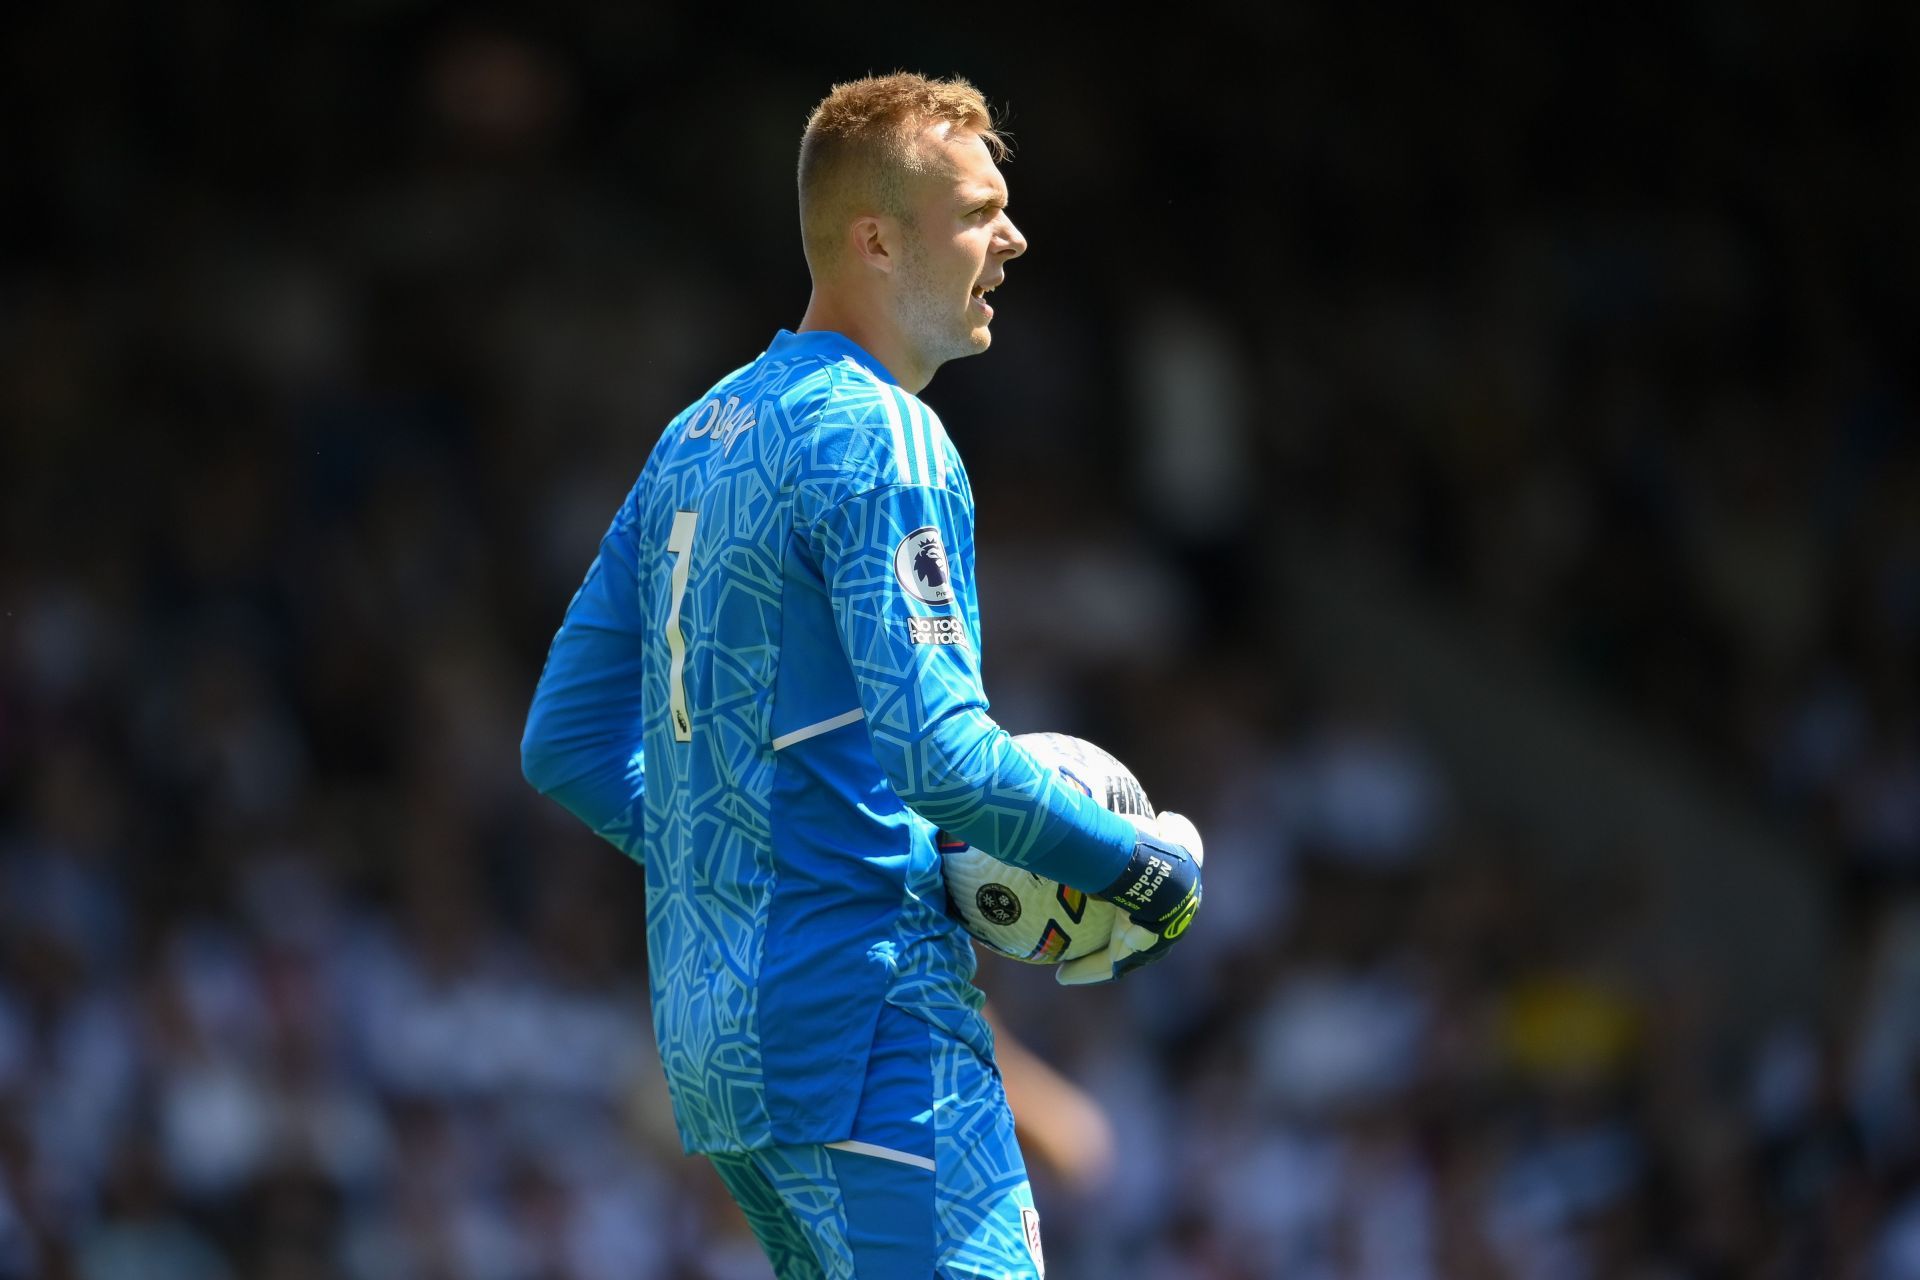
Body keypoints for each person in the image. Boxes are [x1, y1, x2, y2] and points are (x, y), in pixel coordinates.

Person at [519, 71, 1203, 1279]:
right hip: (869, 1026)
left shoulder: (698, 434)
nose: (1014, 236)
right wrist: (1140, 870)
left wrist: (756, 858)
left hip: (722, 1048)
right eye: (980, 209)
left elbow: (565, 742)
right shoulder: (883, 433)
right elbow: (940, 756)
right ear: (878, 236)